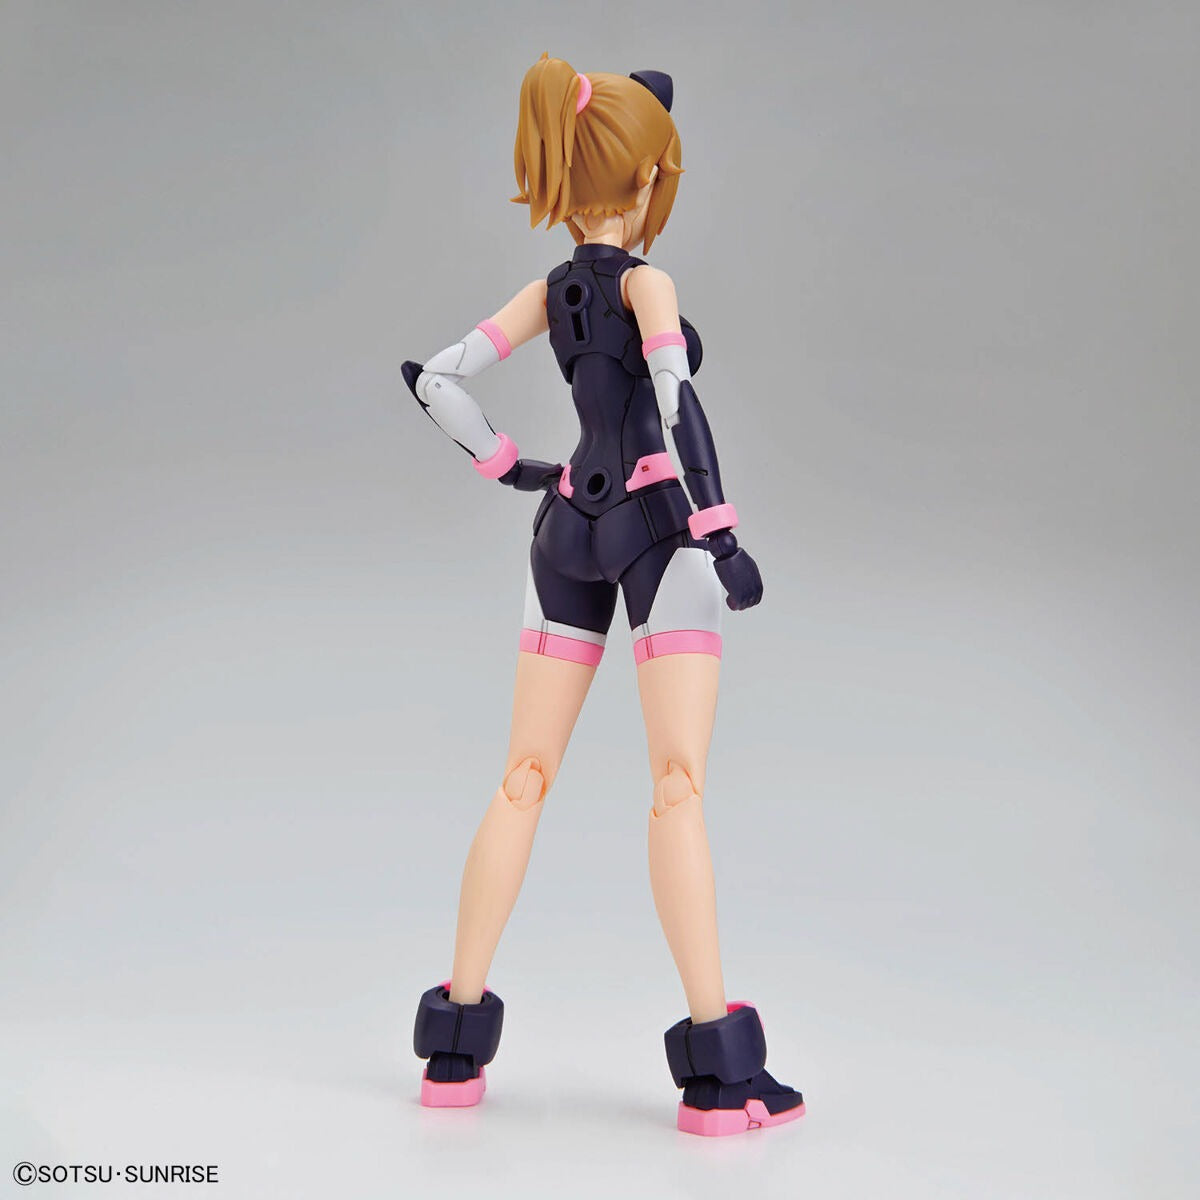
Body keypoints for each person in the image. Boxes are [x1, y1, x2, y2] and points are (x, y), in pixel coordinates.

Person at [403, 54, 805, 1136]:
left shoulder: (554, 291)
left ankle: (452, 1053)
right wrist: (722, 532)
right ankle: (721, 1079)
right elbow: (677, 404)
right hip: (658, 531)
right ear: (649, 176)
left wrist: (510, 468)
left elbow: (437, 378)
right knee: (676, 786)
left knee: (522, 776)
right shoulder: (644, 285)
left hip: (565, 529)